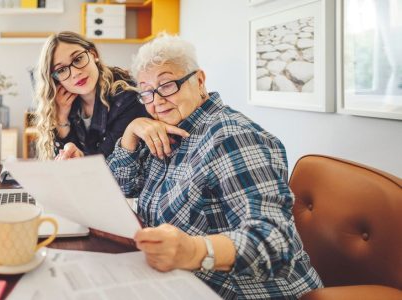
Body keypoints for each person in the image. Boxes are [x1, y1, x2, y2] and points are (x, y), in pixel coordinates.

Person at [59, 33, 323, 299]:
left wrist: (194, 250)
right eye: (147, 92)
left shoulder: (230, 136)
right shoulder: (172, 131)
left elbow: (277, 241)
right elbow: (124, 186)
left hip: (241, 291)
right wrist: (129, 135)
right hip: (179, 282)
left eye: (168, 85)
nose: (157, 100)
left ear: (199, 81)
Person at [32, 31, 147, 160]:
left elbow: (107, 163)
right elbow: (66, 160)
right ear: (56, 79)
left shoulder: (126, 97)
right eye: (61, 70)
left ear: (93, 55)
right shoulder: (65, 103)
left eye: (78, 59)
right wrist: (61, 118)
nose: (75, 73)